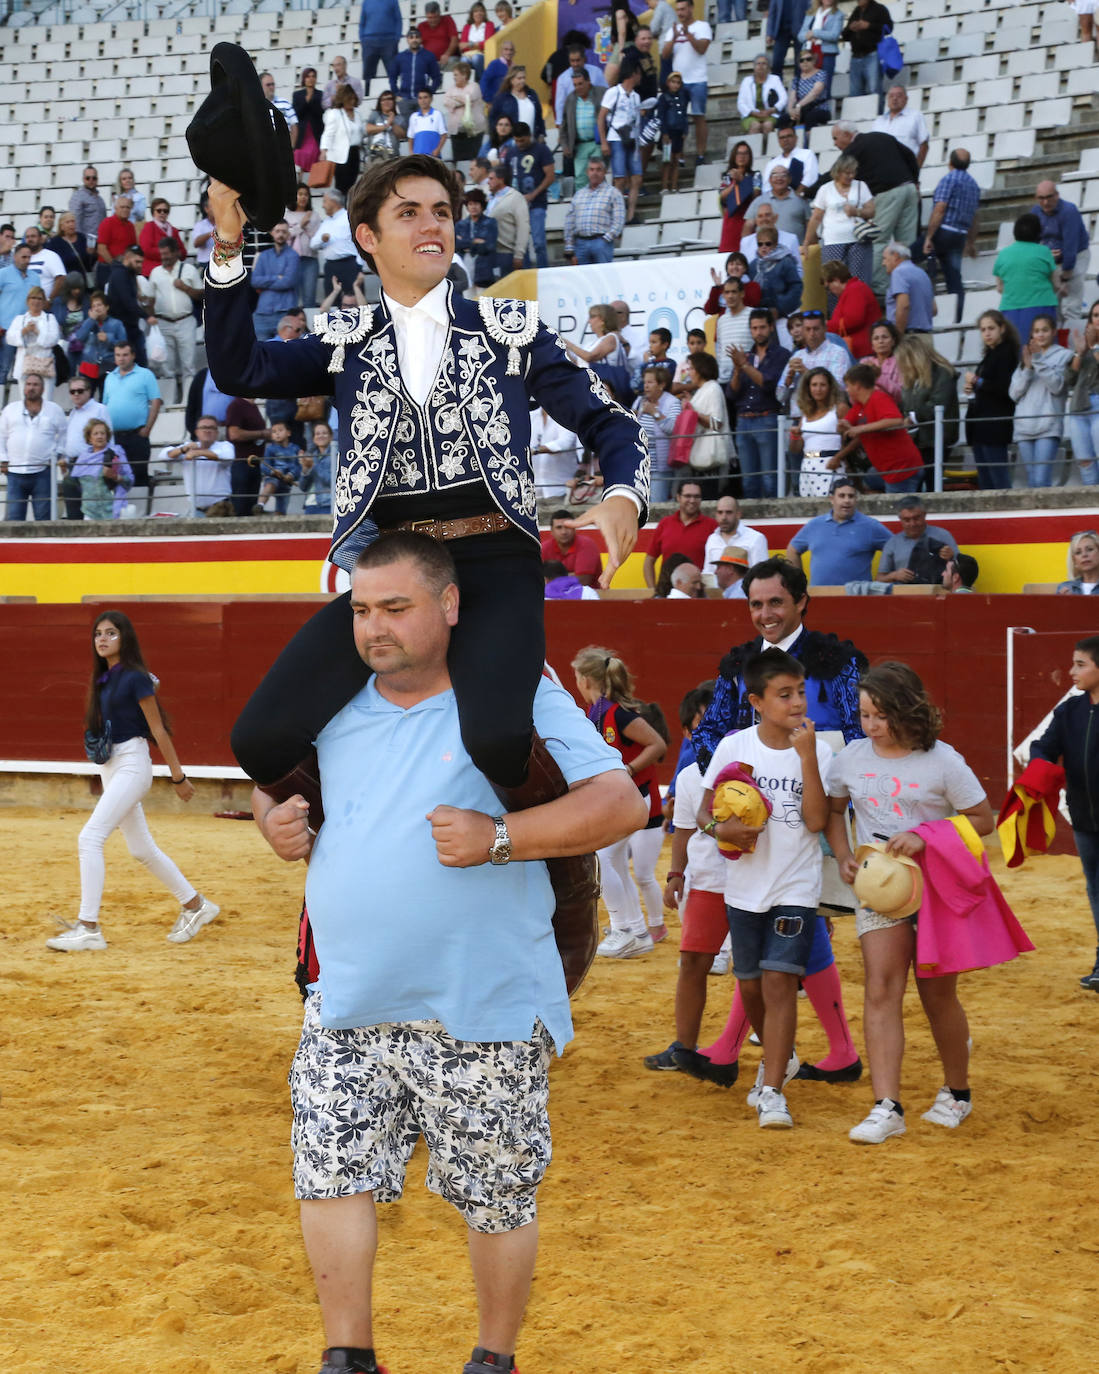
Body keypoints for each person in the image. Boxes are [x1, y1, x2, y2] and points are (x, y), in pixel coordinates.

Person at [204, 154, 647, 943]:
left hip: (494, 567)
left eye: (441, 209)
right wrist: (229, 243)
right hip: (393, 574)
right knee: (258, 738)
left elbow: (611, 420)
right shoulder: (344, 339)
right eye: (408, 212)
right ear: (367, 237)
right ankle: (357, 842)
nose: (431, 223)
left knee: (498, 737)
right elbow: (238, 364)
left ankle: (556, 870)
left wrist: (621, 493)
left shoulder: (509, 330)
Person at [252, 536, 642, 1374]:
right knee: (328, 1174)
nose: (374, 629)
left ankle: (490, 1361)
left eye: (395, 608)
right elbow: (274, 778)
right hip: (347, 997)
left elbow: (622, 803)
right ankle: (347, 1358)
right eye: (360, 610)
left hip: (484, 1004)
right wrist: (271, 816)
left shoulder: (513, 692)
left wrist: (502, 837)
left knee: (496, 1194)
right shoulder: (332, 697)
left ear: (450, 607)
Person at [827, 662, 996, 1143]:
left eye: (881, 716)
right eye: (864, 715)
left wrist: (926, 835)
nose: (871, 726)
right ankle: (887, 1106)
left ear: (906, 711)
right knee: (880, 989)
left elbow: (982, 819)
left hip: (937, 889)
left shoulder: (943, 760)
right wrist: (842, 855)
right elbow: (835, 810)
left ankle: (957, 1091)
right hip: (879, 886)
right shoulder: (852, 758)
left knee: (937, 994)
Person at [699, 649, 832, 1129]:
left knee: (778, 984)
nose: (797, 703)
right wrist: (721, 833)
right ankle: (783, 1056)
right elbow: (704, 813)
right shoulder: (735, 748)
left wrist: (809, 758)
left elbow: (816, 821)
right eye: (784, 695)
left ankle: (773, 1089)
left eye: (801, 692)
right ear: (756, 700)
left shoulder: (818, 749)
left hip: (796, 884)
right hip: (744, 889)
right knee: (750, 986)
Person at [46, 611, 218, 953]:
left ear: (125, 638)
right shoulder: (106, 679)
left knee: (89, 838)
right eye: (98, 634)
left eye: (111, 633)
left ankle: (89, 927)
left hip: (131, 764)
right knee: (141, 849)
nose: (102, 639)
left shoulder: (135, 677)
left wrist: (178, 777)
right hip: (111, 767)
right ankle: (196, 905)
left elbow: (158, 729)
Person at [645, 686, 733, 1069]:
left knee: (758, 971)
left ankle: (774, 1046)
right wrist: (675, 873)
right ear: (687, 733)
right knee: (693, 963)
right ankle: (684, 1046)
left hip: (756, 884)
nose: (712, 732)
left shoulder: (752, 767)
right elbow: (682, 830)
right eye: (702, 725)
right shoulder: (688, 776)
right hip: (707, 882)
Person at [572, 646, 667, 959]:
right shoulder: (597, 712)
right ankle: (636, 931)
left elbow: (657, 743)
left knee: (599, 859)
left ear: (586, 679)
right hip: (619, 796)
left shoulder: (616, 713)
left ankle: (625, 928)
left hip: (631, 796)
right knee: (609, 861)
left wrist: (628, 769)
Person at [1030, 637, 1099, 987]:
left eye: (1080, 664)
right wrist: (1039, 769)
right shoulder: (1070, 710)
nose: (1072, 672)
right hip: (1085, 817)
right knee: (1096, 887)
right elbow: (1043, 746)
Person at [831, 121, 920, 295]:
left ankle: (879, 286)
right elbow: (910, 155)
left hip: (888, 193)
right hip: (909, 189)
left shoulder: (855, 147)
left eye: (835, 138)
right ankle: (908, 283)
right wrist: (914, 179)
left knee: (878, 239)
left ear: (848, 135)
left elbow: (835, 172)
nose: (835, 144)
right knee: (905, 242)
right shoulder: (881, 136)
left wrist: (807, 189)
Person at [725, 310, 790, 500]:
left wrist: (744, 366)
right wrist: (738, 370)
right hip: (743, 420)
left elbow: (768, 384)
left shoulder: (781, 354)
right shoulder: (745, 356)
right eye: (754, 328)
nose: (758, 332)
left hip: (767, 418)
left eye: (762, 327)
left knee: (770, 479)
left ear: (771, 327)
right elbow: (732, 393)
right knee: (748, 481)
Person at [913, 148, 980, 325]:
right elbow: (974, 217)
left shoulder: (948, 179)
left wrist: (929, 237)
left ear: (950, 163)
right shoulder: (973, 184)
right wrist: (971, 242)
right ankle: (957, 319)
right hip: (960, 236)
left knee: (907, 258)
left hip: (943, 232)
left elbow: (940, 209)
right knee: (954, 279)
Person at [837, 364, 925, 493]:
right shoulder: (860, 405)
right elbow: (847, 422)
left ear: (857, 386)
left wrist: (860, 429)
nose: (847, 390)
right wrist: (843, 425)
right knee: (869, 480)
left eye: (848, 386)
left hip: (901, 469)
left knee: (897, 509)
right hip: (886, 469)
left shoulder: (879, 398)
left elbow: (895, 420)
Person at [786, 476, 891, 583]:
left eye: (851, 496)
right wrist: (798, 584)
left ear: (856, 500)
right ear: (832, 499)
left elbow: (896, 548)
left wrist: (886, 576)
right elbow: (792, 550)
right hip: (819, 597)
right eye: (841, 496)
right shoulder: (815, 525)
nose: (847, 500)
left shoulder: (870, 526)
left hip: (856, 597)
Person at [1009, 314, 1072, 489]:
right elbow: (1014, 394)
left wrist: (1038, 361)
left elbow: (1057, 386)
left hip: (1048, 426)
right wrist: (1028, 368)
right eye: (1036, 331)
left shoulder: (1064, 355)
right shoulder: (1025, 358)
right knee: (1032, 480)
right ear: (1032, 334)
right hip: (1024, 427)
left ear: (1053, 332)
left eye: (1044, 330)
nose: (1040, 335)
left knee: (1041, 480)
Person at [963, 310, 1020, 490]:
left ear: (1002, 329)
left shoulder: (1007, 352)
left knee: (997, 479)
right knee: (986, 480)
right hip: (981, 425)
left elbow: (1003, 388)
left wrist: (977, 381)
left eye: (991, 328)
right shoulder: (990, 354)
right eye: (983, 329)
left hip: (994, 424)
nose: (987, 333)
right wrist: (973, 387)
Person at [804, 153, 875, 292]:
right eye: (847, 172)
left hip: (858, 240)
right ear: (838, 171)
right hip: (832, 241)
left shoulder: (861, 186)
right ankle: (837, 313)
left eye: (853, 172)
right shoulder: (825, 189)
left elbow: (872, 211)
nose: (850, 176)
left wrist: (857, 212)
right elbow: (816, 217)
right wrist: (807, 241)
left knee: (859, 281)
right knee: (833, 281)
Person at [894, 333, 959, 484]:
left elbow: (938, 404)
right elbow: (906, 405)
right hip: (918, 439)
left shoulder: (943, 373)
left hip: (937, 438)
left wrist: (912, 418)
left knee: (931, 481)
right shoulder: (911, 378)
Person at [144, 237, 202, 403]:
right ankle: (170, 401)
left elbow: (202, 294)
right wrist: (147, 304)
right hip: (163, 322)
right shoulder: (155, 273)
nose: (164, 257)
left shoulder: (189, 270)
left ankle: (187, 402)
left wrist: (185, 287)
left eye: (167, 253)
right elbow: (150, 299)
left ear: (176, 252)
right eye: (162, 254)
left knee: (188, 365)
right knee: (167, 366)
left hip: (185, 321)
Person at [0, 372, 65, 520]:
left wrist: (57, 456)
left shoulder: (54, 410)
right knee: (14, 520)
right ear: (24, 388)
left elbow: (64, 436)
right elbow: (1, 437)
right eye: (29, 384)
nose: (31, 388)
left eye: (35, 385)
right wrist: (3, 460)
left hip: (42, 472)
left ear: (42, 388)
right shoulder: (11, 409)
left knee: (44, 518)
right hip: (15, 471)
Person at [103, 340, 161, 500]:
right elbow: (105, 406)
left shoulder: (145, 374)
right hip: (115, 438)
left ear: (133, 356)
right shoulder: (110, 378)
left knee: (139, 476)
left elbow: (156, 401)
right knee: (115, 476)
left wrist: (147, 428)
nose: (121, 358)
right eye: (118, 355)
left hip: (137, 436)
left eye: (125, 355)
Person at [1032, 180, 1090, 334]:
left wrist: (1064, 278)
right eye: (1041, 198)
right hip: (1051, 260)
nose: (1045, 202)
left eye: (1049, 197)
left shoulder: (1069, 211)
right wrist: (1044, 252)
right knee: (1052, 306)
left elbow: (1071, 246)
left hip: (1076, 256)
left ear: (1057, 195)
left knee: (1072, 306)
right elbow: (1032, 241)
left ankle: (1074, 348)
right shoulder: (1035, 213)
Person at [660, 0, 712, 166]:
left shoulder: (702, 26)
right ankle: (679, 155)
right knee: (677, 120)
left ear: (691, 8)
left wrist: (689, 36)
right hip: (678, 82)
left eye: (683, 9)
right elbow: (665, 55)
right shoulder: (673, 30)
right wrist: (674, 38)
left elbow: (702, 49)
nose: (680, 13)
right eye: (678, 10)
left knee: (698, 117)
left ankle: (701, 154)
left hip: (697, 80)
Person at [993, 214, 1059, 344]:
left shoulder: (1003, 254)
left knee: (1015, 352)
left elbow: (1000, 288)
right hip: (1042, 307)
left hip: (1010, 310)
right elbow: (1056, 284)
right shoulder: (1044, 251)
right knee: (1045, 352)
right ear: (1038, 233)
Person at [642, 478, 715, 589]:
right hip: (667, 594)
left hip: (698, 594)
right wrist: (653, 591)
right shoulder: (665, 524)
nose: (692, 500)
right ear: (678, 497)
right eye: (688, 496)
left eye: (696, 496)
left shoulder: (712, 526)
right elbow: (648, 562)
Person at [678, 352, 731, 495]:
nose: (689, 373)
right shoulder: (703, 390)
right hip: (700, 455)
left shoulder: (713, 388)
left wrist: (692, 410)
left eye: (691, 369)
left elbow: (716, 422)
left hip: (710, 457)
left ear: (701, 369)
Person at [160, 414, 235, 517]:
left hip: (221, 507)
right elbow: (163, 456)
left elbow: (228, 457)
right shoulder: (189, 446)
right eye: (203, 427)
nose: (207, 430)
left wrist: (198, 453)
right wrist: (183, 449)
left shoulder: (225, 446)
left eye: (211, 428)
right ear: (196, 432)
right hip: (196, 509)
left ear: (217, 432)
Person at [790, 367, 847, 497]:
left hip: (831, 464)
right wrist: (794, 436)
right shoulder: (805, 414)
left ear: (830, 387)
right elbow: (795, 449)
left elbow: (853, 437)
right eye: (814, 385)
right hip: (808, 465)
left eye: (822, 385)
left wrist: (839, 457)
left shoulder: (839, 408)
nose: (818, 389)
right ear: (808, 388)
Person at [876, 495, 958, 585]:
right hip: (904, 596)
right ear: (900, 519)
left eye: (916, 518)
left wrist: (952, 558)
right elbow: (879, 579)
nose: (912, 524)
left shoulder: (943, 535)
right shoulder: (893, 543)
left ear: (924, 515)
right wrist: (895, 575)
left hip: (938, 594)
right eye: (907, 520)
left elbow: (963, 570)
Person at [599, 64, 644, 226]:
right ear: (632, 74)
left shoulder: (636, 97)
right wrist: (604, 141)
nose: (640, 77)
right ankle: (617, 216)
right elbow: (601, 117)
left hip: (632, 138)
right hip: (616, 137)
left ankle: (630, 215)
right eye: (638, 74)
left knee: (636, 178)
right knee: (619, 179)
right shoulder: (613, 92)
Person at [506, 123, 555, 268]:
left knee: (539, 242)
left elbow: (550, 176)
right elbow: (507, 178)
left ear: (529, 136)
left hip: (537, 203)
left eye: (522, 140)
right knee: (522, 245)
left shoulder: (542, 150)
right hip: (517, 205)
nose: (519, 144)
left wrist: (533, 194)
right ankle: (526, 277)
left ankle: (544, 273)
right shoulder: (510, 153)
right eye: (516, 140)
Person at [563, 155, 625, 266]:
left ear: (604, 172)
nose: (594, 173)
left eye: (598, 170)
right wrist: (569, 247)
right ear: (587, 172)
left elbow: (619, 221)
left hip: (601, 242)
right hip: (580, 244)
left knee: (604, 279)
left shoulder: (613, 193)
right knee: (582, 281)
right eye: (591, 169)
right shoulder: (579, 194)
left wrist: (605, 240)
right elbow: (570, 221)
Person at [633, 364, 681, 503]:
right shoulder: (640, 401)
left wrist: (655, 413)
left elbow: (673, 429)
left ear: (661, 384)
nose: (646, 386)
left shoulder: (672, 402)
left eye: (650, 382)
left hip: (660, 467)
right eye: (645, 382)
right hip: (640, 466)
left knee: (656, 505)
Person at [5, 283, 61, 400]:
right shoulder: (19, 319)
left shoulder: (50, 319)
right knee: (25, 400)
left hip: (44, 365)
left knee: (45, 401)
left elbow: (53, 339)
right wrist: (24, 331)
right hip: (24, 365)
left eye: (39, 298)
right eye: (33, 298)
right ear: (28, 301)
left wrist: (37, 332)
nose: (36, 301)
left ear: (44, 301)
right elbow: (9, 338)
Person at [71, 416, 132, 519]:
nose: (100, 436)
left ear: (107, 436)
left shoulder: (116, 453)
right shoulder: (83, 459)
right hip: (89, 511)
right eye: (95, 434)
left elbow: (129, 480)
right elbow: (76, 483)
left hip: (112, 509)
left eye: (102, 433)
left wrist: (116, 477)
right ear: (89, 438)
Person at [1066, 300, 1099, 487]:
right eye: (1095, 315)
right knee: (1085, 462)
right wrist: (1079, 353)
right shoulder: (1083, 345)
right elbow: (1068, 379)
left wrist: (1094, 346)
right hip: (1078, 408)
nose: (1098, 319)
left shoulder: (1093, 345)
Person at [703, 493, 768, 578]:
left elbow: (761, 575)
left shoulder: (756, 538)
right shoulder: (712, 539)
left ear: (738, 514)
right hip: (717, 591)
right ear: (716, 514)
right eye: (720, 512)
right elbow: (708, 573)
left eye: (728, 512)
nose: (724, 517)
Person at [822, 260, 878, 357]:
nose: (829, 292)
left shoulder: (855, 289)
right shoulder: (852, 289)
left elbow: (853, 320)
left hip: (863, 352)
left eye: (828, 287)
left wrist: (826, 326)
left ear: (836, 280)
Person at [71, 291, 126, 388]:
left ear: (107, 307)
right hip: (88, 367)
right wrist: (91, 320)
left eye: (99, 305)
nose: (97, 308)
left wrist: (108, 338)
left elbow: (124, 346)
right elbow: (79, 337)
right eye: (94, 306)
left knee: (105, 399)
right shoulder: (87, 322)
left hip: (108, 366)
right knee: (85, 400)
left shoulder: (117, 324)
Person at [485, 163, 530, 278]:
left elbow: (523, 227)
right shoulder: (490, 198)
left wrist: (519, 254)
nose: (488, 182)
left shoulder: (515, 197)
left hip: (508, 253)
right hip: (491, 253)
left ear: (501, 179)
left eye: (491, 178)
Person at [840, 0, 891, 99]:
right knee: (855, 92)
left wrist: (869, 26)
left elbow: (888, 28)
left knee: (874, 89)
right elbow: (845, 36)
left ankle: (877, 114)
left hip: (872, 54)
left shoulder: (879, 9)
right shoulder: (856, 11)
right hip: (855, 56)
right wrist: (851, 28)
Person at [718, 140, 762, 253]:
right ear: (734, 156)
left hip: (748, 221)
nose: (742, 156)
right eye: (739, 153)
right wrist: (734, 183)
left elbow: (756, 198)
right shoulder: (727, 176)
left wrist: (742, 180)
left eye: (745, 153)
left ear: (750, 156)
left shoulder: (755, 175)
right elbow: (722, 197)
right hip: (731, 222)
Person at [321, 85, 366, 197]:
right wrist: (324, 151)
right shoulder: (335, 114)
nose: (351, 101)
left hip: (354, 152)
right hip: (340, 154)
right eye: (349, 99)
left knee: (352, 185)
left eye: (353, 98)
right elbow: (328, 134)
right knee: (341, 186)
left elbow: (362, 131)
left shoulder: (358, 113)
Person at [392, 28, 443, 124]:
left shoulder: (429, 56)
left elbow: (437, 77)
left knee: (423, 126)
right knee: (408, 129)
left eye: (417, 37)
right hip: (404, 99)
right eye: (411, 37)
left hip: (421, 99)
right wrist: (397, 93)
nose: (414, 40)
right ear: (407, 39)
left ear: (421, 39)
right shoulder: (400, 57)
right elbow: (392, 77)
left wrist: (430, 93)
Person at [748, 228, 802, 317]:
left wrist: (781, 309)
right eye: (760, 244)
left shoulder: (786, 261)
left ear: (775, 244)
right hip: (761, 314)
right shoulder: (753, 265)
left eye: (768, 244)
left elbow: (795, 286)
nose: (763, 247)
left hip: (784, 312)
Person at [882, 242, 933, 335]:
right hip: (926, 336)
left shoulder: (898, 272)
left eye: (885, 258)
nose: (883, 263)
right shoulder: (922, 273)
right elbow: (934, 309)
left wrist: (898, 336)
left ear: (896, 256)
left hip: (908, 337)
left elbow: (903, 306)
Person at [872, 85, 929, 166]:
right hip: (880, 169)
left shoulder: (915, 116)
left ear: (906, 99)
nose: (894, 98)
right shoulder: (878, 121)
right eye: (891, 96)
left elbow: (924, 145)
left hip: (906, 169)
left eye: (899, 96)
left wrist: (917, 170)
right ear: (887, 100)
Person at [456, 189, 499, 291]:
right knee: (467, 300)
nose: (473, 207)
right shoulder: (460, 225)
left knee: (482, 301)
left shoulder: (490, 223)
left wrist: (466, 243)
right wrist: (474, 241)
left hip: (483, 269)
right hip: (465, 267)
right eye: (470, 204)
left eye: (476, 203)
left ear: (482, 205)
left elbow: (489, 246)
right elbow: (456, 245)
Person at [256, 419, 303, 514]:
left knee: (282, 506)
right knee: (270, 484)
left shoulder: (295, 448)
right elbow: (264, 465)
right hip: (274, 477)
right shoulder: (270, 449)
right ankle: (260, 505)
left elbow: (298, 466)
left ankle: (280, 513)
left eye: (280, 430)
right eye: (274, 432)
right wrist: (272, 472)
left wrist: (291, 475)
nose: (277, 434)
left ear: (288, 433)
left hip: (287, 481)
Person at [441, 62, 486, 164]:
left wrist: (456, 99)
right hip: (457, 133)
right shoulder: (451, 89)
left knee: (473, 161)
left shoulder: (474, 86)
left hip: (474, 132)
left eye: (456, 75)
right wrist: (463, 101)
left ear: (464, 75)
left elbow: (469, 97)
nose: (454, 77)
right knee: (459, 161)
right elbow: (446, 102)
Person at [489, 65, 546, 142]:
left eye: (524, 78)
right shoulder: (502, 98)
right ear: (511, 80)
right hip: (510, 142)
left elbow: (539, 116)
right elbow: (493, 119)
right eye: (519, 78)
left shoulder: (532, 94)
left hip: (532, 141)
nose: (522, 81)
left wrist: (541, 134)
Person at [763, 121, 819, 197]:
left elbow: (810, 178)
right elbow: (767, 187)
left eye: (789, 136)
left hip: (801, 198)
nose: (785, 140)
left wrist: (793, 198)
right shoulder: (772, 163)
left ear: (796, 138)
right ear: (778, 141)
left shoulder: (807, 154)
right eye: (782, 138)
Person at [798, 0, 845, 92]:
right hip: (808, 53)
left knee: (824, 86)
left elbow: (834, 35)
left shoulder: (838, 14)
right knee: (807, 87)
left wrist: (815, 33)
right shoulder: (811, 13)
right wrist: (808, 36)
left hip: (826, 54)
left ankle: (823, 106)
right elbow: (800, 36)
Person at [738, 53, 788, 135]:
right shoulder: (746, 81)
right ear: (754, 67)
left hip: (771, 114)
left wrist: (772, 110)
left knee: (767, 125)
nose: (761, 66)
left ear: (768, 67)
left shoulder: (775, 79)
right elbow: (741, 103)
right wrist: (753, 113)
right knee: (755, 126)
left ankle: (767, 148)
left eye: (764, 63)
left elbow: (784, 98)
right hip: (750, 115)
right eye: (758, 63)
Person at [137, 199, 187, 279]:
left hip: (172, 271)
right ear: (153, 213)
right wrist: (169, 254)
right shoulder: (149, 227)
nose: (162, 213)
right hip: (152, 271)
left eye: (165, 211)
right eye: (159, 210)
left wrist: (173, 254)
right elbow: (146, 250)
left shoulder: (173, 230)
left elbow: (183, 252)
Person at [359, 0, 403, 87]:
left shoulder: (393, 1)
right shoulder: (366, 2)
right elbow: (362, 22)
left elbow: (398, 20)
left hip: (389, 42)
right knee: (368, 75)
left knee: (393, 73)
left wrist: (396, 39)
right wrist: (363, 39)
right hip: (369, 42)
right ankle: (367, 96)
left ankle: (396, 95)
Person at [293, 67, 326, 176]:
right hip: (302, 132)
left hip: (315, 131)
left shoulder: (320, 94)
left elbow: (319, 112)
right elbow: (297, 114)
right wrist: (306, 101)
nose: (311, 79)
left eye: (313, 76)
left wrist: (311, 100)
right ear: (304, 79)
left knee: (312, 152)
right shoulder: (297, 95)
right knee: (298, 154)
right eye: (308, 76)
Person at [859, 319, 902, 401]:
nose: (880, 341)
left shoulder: (900, 362)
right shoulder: (864, 362)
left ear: (893, 341)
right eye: (876, 338)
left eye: (885, 337)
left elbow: (900, 394)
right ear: (872, 344)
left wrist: (878, 376)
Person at [299, 418, 335, 515]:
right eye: (317, 434)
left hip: (328, 504)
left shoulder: (336, 456)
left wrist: (314, 466)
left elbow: (333, 482)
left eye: (324, 433)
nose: (320, 436)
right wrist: (305, 469)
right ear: (314, 438)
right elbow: (303, 487)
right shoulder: (311, 456)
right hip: (309, 505)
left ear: (331, 437)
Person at [787, 51, 830, 130]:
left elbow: (814, 93)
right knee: (784, 119)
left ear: (813, 61)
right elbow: (792, 98)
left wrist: (798, 105)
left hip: (820, 109)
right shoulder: (796, 79)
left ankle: (809, 140)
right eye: (801, 60)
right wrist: (790, 110)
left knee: (810, 116)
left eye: (808, 59)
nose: (805, 62)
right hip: (801, 110)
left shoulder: (821, 74)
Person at [69, 165, 107, 247]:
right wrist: (79, 243)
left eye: (94, 178)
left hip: (100, 243)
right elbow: (75, 222)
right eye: (88, 178)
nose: (91, 180)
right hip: (85, 243)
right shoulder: (78, 196)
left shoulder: (100, 199)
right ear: (83, 179)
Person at [418, 0, 460, 68]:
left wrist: (447, 54)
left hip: (448, 58)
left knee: (451, 62)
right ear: (426, 15)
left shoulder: (447, 20)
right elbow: (416, 45)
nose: (433, 20)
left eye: (435, 17)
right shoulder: (421, 26)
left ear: (440, 14)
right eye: (430, 17)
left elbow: (454, 40)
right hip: (429, 61)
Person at [459, 3, 495, 80]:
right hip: (468, 55)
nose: (478, 13)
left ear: (484, 13)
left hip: (482, 55)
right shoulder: (467, 27)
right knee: (463, 60)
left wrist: (470, 44)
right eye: (476, 11)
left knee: (476, 58)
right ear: (472, 14)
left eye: (481, 11)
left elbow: (488, 44)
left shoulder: (489, 25)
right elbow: (462, 46)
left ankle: (482, 81)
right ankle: (466, 85)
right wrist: (478, 45)